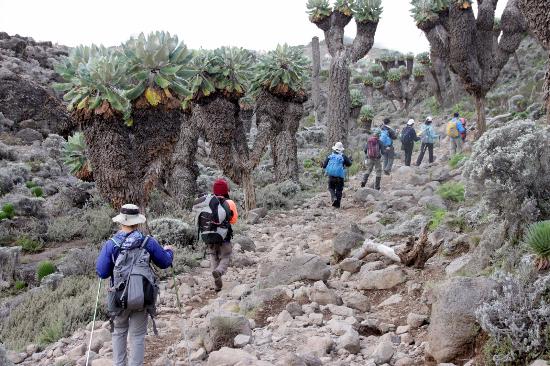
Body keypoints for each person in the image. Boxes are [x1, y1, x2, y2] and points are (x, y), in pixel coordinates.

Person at [96, 204, 174, 366]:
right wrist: (169, 251)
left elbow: (102, 272)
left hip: (118, 298)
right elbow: (165, 262)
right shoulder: (148, 242)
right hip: (142, 296)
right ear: (138, 222)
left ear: (121, 222)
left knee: (119, 332)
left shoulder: (111, 244)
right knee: (137, 335)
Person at [194, 178, 238, 292]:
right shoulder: (229, 202)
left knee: (213, 256)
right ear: (225, 190)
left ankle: (217, 285)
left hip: (209, 236)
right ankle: (219, 271)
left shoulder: (207, 202)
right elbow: (233, 221)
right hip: (224, 237)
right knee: (226, 256)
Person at [322, 142, 352, 208]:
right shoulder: (343, 156)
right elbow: (349, 164)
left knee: (331, 187)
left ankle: (333, 197)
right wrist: (350, 160)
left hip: (331, 176)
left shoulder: (330, 156)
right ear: (341, 149)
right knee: (339, 190)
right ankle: (337, 205)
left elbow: (324, 166)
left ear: (335, 149)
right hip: (340, 177)